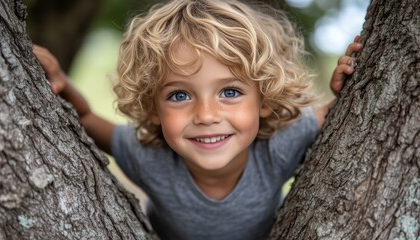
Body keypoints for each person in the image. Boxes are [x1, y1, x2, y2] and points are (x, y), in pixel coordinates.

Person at [33, 0, 362, 239]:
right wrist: (60, 79)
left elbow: (339, 114)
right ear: (152, 108)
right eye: (179, 95)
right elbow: (87, 118)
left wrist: (345, 82)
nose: (206, 116)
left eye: (230, 92)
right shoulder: (150, 157)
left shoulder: (278, 147)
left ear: (264, 99)